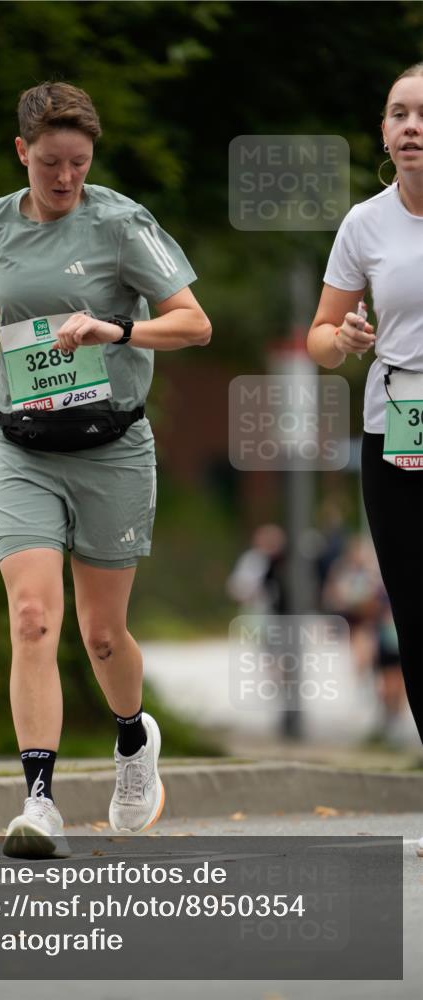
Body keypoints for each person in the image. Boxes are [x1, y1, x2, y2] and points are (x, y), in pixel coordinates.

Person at [0, 82, 211, 858]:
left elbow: (194, 323)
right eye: (50, 163)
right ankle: (40, 802)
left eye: (78, 164)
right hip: (20, 446)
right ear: (21, 152)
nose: (64, 179)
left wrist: (115, 327)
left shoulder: (120, 222)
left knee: (102, 634)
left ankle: (130, 743)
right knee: (30, 618)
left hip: (110, 449)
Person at [307, 64, 423, 855]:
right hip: (398, 431)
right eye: (398, 114)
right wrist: (343, 340)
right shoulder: (364, 225)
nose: (411, 126)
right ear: (382, 134)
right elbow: (320, 337)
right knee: (412, 616)